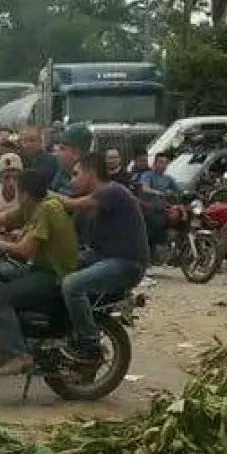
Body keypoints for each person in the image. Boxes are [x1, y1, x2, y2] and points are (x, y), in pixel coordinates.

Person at [0, 169, 79, 376]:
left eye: (18, 189)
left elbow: (24, 250)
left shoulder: (48, 209)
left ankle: (19, 355)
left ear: (26, 194)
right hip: (40, 269)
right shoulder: (33, 207)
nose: (15, 192)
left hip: (54, 275)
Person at [60, 152, 149, 363]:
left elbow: (69, 204)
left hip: (126, 263)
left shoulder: (112, 191)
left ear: (90, 172)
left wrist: (41, 194)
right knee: (55, 268)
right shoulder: (91, 206)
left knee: (72, 285)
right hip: (101, 257)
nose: (72, 180)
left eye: (76, 174)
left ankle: (90, 345)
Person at [134, 152, 179, 259]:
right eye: (160, 162)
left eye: (165, 163)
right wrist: (156, 192)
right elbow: (144, 188)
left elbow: (178, 190)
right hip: (149, 210)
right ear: (154, 163)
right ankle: (149, 254)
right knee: (154, 225)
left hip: (164, 209)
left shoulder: (168, 178)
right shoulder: (147, 175)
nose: (163, 165)